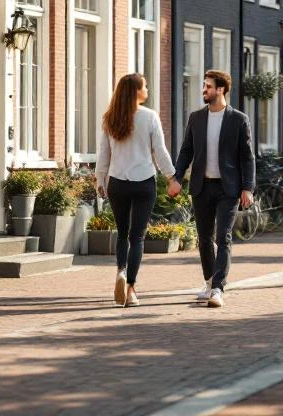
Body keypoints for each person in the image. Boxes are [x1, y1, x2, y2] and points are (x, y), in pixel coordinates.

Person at [168, 70, 255, 308]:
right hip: (201, 186)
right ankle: (209, 282)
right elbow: (186, 151)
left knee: (223, 236)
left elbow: (247, 157)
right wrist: (177, 177)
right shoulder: (196, 118)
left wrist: (248, 187)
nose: (204, 90)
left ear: (221, 89)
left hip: (228, 188)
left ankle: (218, 288)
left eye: (208, 86)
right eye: (204, 85)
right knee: (204, 238)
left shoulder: (238, 120)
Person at [95, 73, 175, 308]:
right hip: (144, 182)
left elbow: (104, 153)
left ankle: (121, 270)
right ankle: (130, 289)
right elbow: (159, 151)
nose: (147, 90)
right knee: (137, 236)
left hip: (117, 182)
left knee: (122, 233)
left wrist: (100, 180)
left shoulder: (110, 118)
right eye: (145, 86)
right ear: (136, 91)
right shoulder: (149, 117)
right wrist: (172, 177)